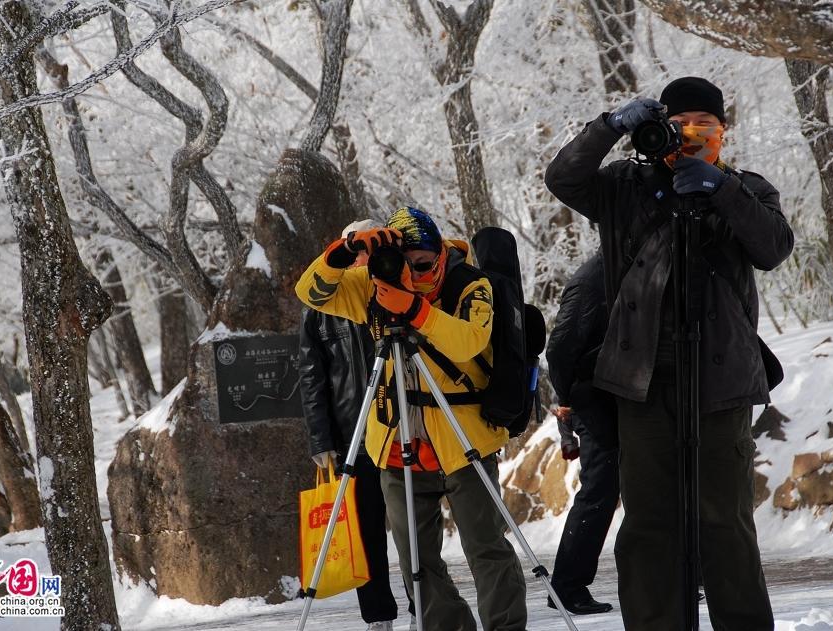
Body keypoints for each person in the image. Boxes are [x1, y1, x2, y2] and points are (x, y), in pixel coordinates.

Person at [544, 76, 793, 630]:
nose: (692, 137)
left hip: (720, 382)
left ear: (723, 134)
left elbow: (773, 247)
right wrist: (610, 127)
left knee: (725, 522)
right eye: (679, 126)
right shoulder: (624, 188)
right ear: (657, 129)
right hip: (641, 380)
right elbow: (562, 177)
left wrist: (720, 191)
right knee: (649, 524)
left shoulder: (746, 189)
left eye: (705, 127)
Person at [295, 207, 527, 631]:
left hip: (464, 439)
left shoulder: (471, 284)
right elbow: (310, 293)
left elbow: (468, 342)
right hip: (395, 440)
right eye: (408, 266)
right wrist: (344, 253)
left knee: (486, 548)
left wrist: (415, 311)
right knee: (416, 560)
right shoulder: (373, 285)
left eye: (424, 265)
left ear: (441, 254)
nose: (417, 276)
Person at [298, 219, 407, 631]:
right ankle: (378, 616)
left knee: (409, 526)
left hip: (398, 429)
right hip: (351, 434)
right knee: (366, 534)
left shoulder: (396, 292)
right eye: (360, 249)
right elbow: (310, 373)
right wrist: (320, 438)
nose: (367, 258)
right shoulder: (323, 306)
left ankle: (423, 605)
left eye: (373, 250)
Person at [544, 251, 619, 616]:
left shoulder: (620, 268)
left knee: (645, 489)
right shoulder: (593, 278)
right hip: (595, 400)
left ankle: (670, 576)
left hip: (620, 396)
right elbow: (558, 348)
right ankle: (567, 587)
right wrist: (570, 401)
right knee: (599, 492)